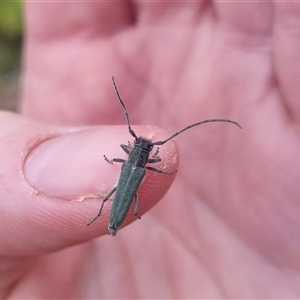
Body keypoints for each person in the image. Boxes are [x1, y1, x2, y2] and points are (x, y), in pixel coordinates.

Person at [2, 2, 300, 298]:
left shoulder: (135, 162)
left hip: (125, 196)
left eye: (142, 147)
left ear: (137, 152)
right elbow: (144, 163)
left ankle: (106, 220)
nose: (141, 146)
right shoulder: (143, 164)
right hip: (115, 215)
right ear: (138, 152)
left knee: (121, 194)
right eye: (141, 146)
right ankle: (106, 220)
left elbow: (136, 159)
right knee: (120, 196)